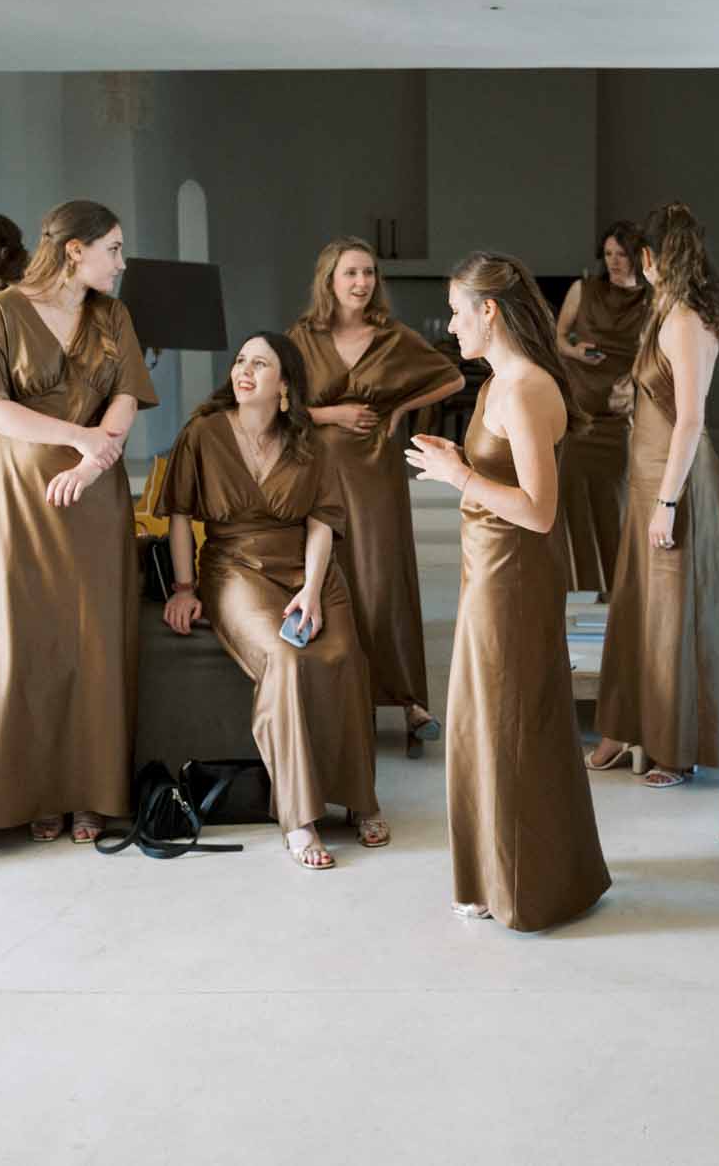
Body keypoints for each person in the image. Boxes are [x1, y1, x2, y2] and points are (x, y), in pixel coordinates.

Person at [406, 251, 611, 929]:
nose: (452, 324)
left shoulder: (522, 388)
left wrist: (457, 475)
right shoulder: (500, 382)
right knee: (496, 718)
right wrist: (461, 465)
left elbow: (539, 510)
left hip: (513, 577)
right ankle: (510, 868)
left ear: (489, 310)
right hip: (488, 568)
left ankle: (525, 882)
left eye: (459, 311)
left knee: (502, 721)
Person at [0, 199, 157, 842]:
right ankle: (35, 789)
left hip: (94, 500)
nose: (120, 263)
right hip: (19, 497)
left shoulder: (112, 313)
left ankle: (90, 792)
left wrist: (93, 463)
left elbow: (125, 396)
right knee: (26, 642)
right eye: (113, 249)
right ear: (75, 250)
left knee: (95, 642)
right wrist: (78, 437)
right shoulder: (5, 310)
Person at [159, 332, 386, 870]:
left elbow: (322, 522)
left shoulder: (310, 442)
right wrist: (184, 587)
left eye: (259, 364)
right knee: (283, 659)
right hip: (235, 568)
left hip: (306, 569)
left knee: (341, 655)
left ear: (284, 384)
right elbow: (179, 517)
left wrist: (312, 588)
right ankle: (299, 816)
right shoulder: (204, 433)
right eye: (240, 360)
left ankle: (359, 799)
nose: (244, 370)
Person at [287, 237, 465, 757]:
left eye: (368, 273)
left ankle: (410, 701)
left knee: (384, 577)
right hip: (319, 471)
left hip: (376, 475)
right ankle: (344, 699)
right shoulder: (302, 338)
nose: (362, 283)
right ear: (329, 281)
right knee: (332, 575)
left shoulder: (392, 336)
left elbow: (451, 378)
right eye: (351, 274)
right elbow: (282, 404)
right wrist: (332, 415)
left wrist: (398, 408)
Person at [592, 203, 719, 787]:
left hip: (677, 479)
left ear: (651, 258)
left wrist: (669, 501)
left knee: (673, 614)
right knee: (636, 605)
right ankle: (624, 727)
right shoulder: (665, 311)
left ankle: (676, 747)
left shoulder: (684, 321)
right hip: (648, 472)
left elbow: (692, 419)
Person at [555, 220, 653, 598]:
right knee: (572, 495)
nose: (614, 261)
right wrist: (576, 350)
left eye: (622, 254)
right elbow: (558, 338)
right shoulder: (583, 289)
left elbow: (655, 354)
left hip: (620, 409)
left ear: (638, 256)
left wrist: (634, 382)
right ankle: (580, 587)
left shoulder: (651, 299)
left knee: (615, 502)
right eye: (608, 254)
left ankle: (619, 588)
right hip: (580, 405)